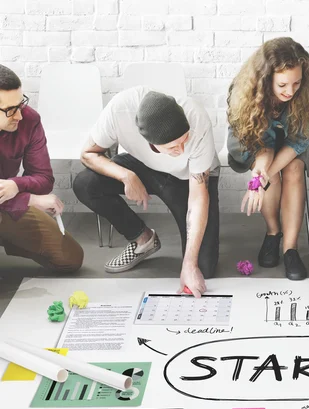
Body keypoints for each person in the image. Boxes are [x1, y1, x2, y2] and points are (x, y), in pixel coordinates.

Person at [74, 86, 220, 297]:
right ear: (150, 142)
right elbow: (87, 154)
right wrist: (126, 176)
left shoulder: (197, 118)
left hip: (189, 177)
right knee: (85, 183)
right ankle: (143, 239)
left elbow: (198, 197)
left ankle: (191, 261)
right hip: (144, 166)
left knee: (203, 267)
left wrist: (189, 264)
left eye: (184, 140)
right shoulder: (118, 110)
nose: (180, 150)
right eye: (172, 147)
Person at [227, 37, 309, 281]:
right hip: (253, 143)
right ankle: (273, 232)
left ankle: (290, 248)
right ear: (266, 78)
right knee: (269, 174)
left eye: (297, 83)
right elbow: (258, 145)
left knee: (293, 169)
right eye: (282, 84)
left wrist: (263, 176)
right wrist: (262, 171)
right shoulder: (243, 93)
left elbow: (299, 141)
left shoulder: (303, 95)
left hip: (292, 143)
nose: (290, 91)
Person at [0, 64, 83, 273]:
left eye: (20, 104)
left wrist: (15, 185)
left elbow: (44, 178)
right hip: (13, 202)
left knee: (70, 257)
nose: (19, 115)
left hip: (9, 204)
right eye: (10, 110)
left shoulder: (29, 119)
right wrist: (30, 199)